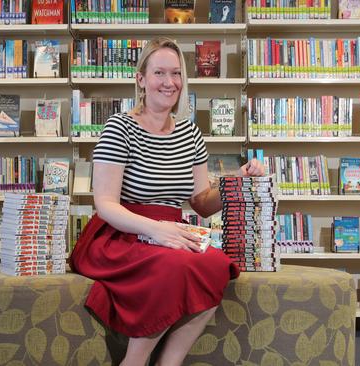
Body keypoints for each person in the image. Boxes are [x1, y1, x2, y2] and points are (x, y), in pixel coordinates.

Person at [70, 37, 265, 366]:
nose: (169, 82)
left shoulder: (190, 133)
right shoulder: (119, 128)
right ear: (141, 79)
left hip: (170, 234)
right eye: (159, 72)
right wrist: (157, 231)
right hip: (122, 232)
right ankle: (134, 361)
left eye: (176, 74)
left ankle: (169, 362)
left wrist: (237, 181)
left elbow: (202, 203)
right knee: (173, 266)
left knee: (217, 264)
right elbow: (105, 204)